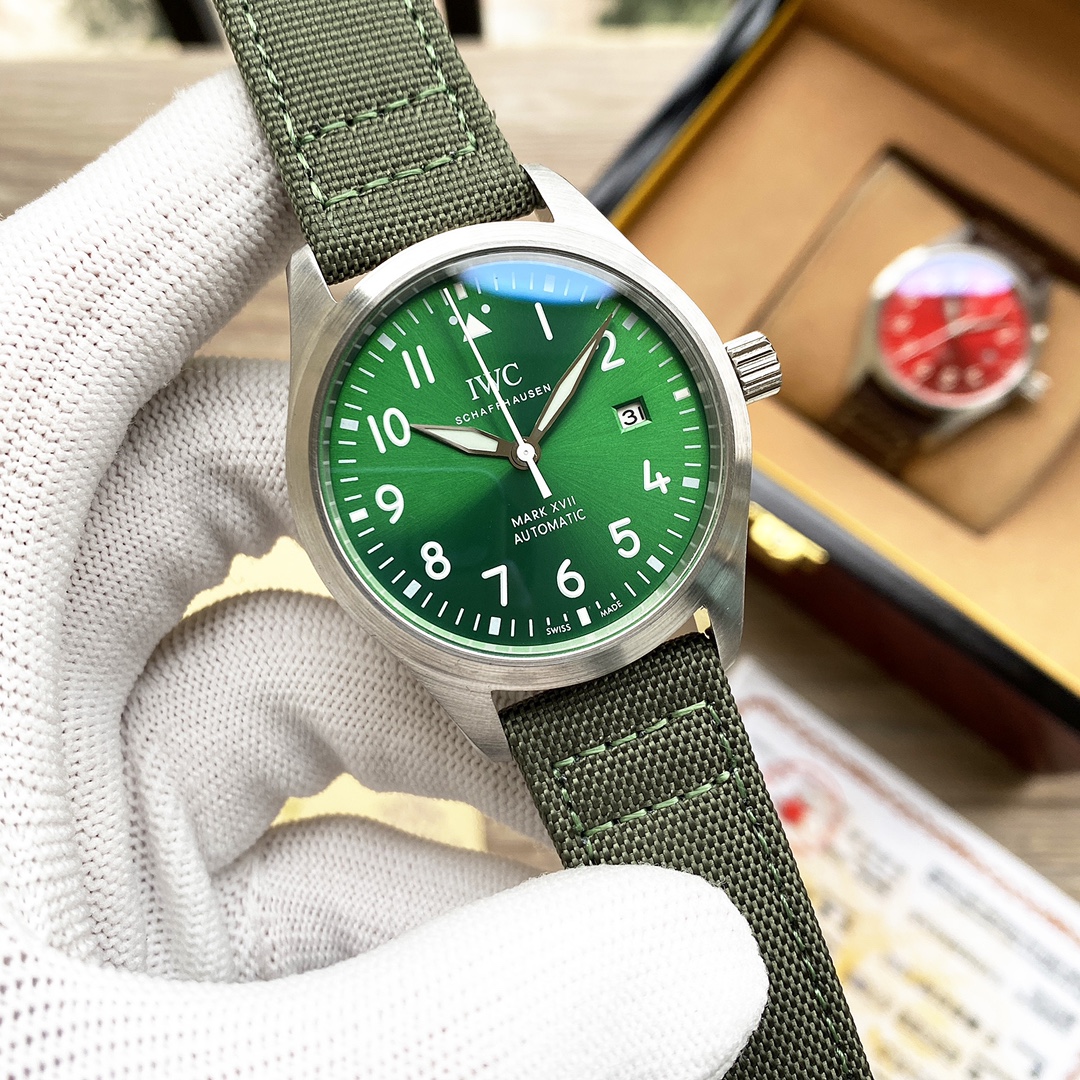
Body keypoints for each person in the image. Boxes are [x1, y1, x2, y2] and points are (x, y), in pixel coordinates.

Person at [0, 69, 766, 1077]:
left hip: (639, 605)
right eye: (505, 452)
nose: (524, 458)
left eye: (529, 446)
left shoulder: (557, 256)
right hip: (529, 640)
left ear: (720, 378)